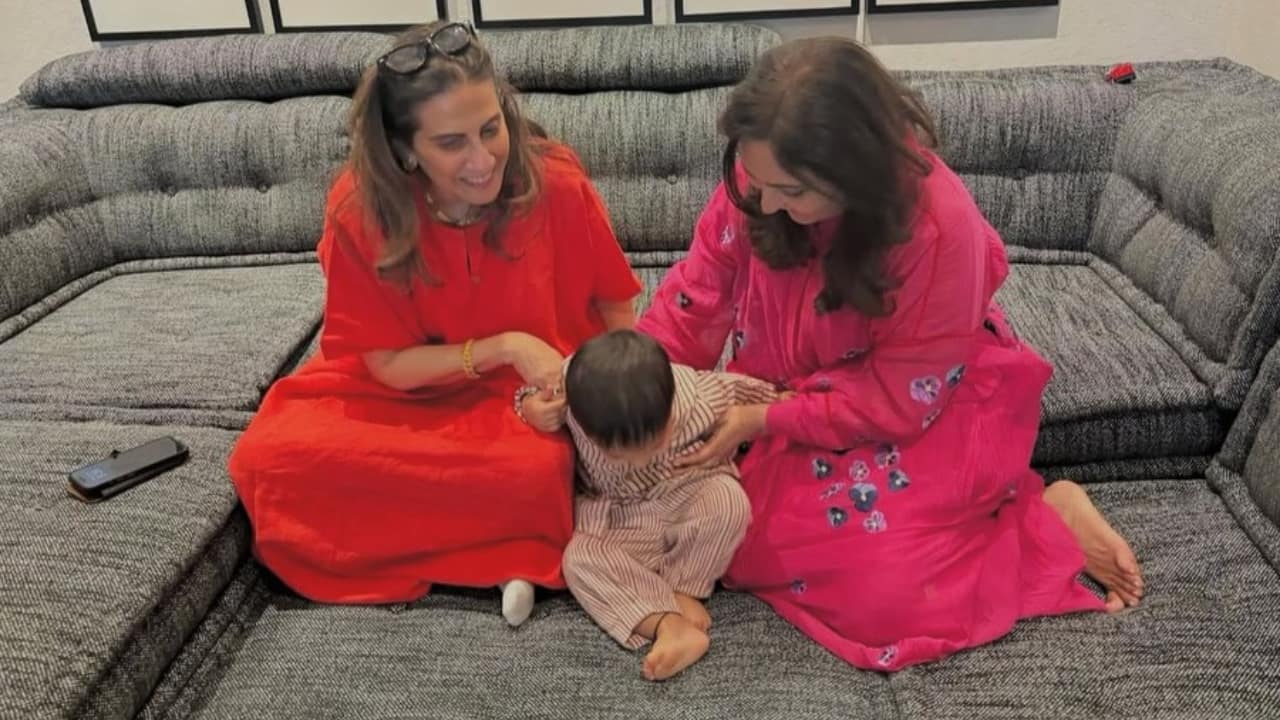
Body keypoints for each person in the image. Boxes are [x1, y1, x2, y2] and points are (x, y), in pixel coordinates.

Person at [635, 37, 1145, 671]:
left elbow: (897, 398)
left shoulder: (937, 228)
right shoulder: (762, 174)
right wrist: (635, 385)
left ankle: (1043, 520)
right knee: (702, 524)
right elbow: (698, 294)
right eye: (755, 182)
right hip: (785, 400)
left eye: (788, 191)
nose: (762, 206)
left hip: (923, 410)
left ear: (854, 174)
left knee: (882, 592)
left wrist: (764, 419)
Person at [227, 21, 640, 626]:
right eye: (451, 143)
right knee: (272, 459)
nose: (483, 159)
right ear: (404, 150)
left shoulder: (554, 179)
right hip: (404, 392)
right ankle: (501, 553)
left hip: (527, 399)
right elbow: (385, 364)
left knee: (537, 470)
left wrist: (616, 394)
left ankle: (504, 550)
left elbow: (615, 308)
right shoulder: (358, 208)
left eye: (491, 128)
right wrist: (502, 346)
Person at [555, 329, 778, 681]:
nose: (640, 458)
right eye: (618, 454)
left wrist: (784, 404)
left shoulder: (697, 395)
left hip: (685, 492)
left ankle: (684, 588)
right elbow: (532, 399)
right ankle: (667, 622)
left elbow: (749, 393)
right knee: (578, 561)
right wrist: (530, 407)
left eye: (654, 442)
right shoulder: (571, 398)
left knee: (728, 500)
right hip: (619, 516)